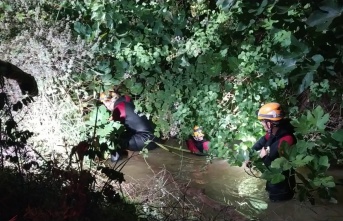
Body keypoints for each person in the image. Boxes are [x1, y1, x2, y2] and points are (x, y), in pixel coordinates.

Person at [248, 102, 296, 202]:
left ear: (269, 123)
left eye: (262, 121)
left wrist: (264, 157)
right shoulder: (273, 133)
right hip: (273, 182)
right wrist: (250, 155)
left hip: (282, 188)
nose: (261, 124)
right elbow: (261, 142)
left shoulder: (286, 140)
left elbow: (277, 167)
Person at [99, 89, 157, 162]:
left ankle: (115, 162)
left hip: (144, 140)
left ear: (109, 101)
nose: (106, 106)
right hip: (153, 137)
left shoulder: (119, 108)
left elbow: (114, 129)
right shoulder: (126, 102)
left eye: (105, 103)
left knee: (112, 138)